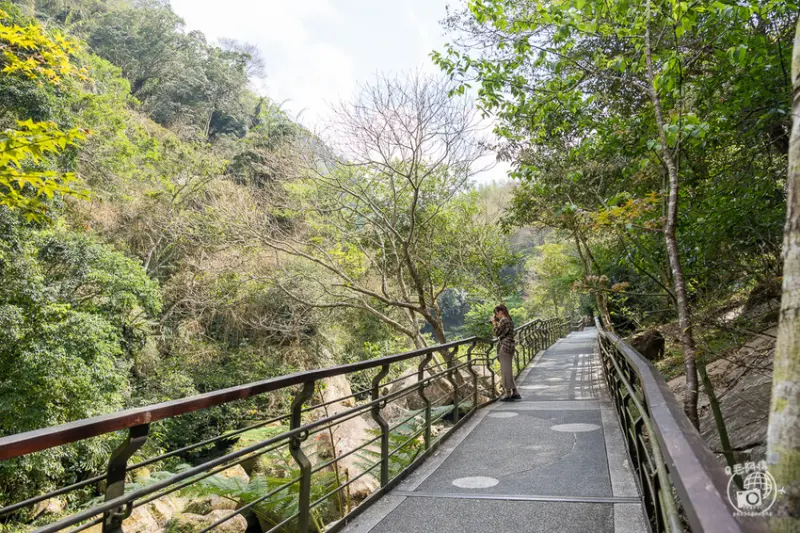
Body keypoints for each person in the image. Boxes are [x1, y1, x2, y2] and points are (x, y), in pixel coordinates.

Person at [491, 304, 521, 401]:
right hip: (510, 346)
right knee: (507, 370)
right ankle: (515, 392)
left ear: (500, 312)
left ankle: (508, 393)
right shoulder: (509, 319)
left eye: (496, 314)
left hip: (505, 346)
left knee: (505, 370)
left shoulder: (503, 320)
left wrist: (494, 323)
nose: (496, 316)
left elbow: (497, 333)